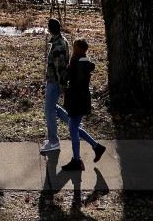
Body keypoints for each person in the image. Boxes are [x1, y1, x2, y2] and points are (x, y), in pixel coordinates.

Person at [60, 38, 106, 171]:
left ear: (78, 49)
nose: (72, 49)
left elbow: (77, 83)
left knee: (73, 130)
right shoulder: (80, 62)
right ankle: (97, 147)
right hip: (80, 100)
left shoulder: (79, 65)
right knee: (75, 128)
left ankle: (77, 160)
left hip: (78, 101)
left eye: (74, 46)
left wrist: (68, 73)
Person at [40, 18, 70, 153]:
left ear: (50, 29)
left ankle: (54, 142)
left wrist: (61, 86)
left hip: (55, 83)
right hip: (54, 82)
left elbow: (60, 68)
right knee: (52, 108)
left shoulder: (58, 46)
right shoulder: (62, 40)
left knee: (49, 111)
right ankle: (72, 123)